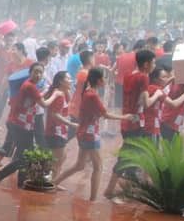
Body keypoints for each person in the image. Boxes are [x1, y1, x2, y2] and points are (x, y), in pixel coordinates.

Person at [54, 68, 137, 201]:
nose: (105, 80)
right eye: (104, 78)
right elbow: (106, 114)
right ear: (99, 80)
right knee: (98, 167)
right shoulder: (91, 95)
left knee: (79, 165)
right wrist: (125, 117)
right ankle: (93, 199)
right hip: (89, 135)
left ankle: (53, 183)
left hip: (84, 133)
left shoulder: (88, 92)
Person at [103, 48, 155, 199]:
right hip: (135, 123)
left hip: (127, 121)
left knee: (132, 156)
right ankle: (110, 189)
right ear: (146, 64)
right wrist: (157, 94)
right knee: (126, 156)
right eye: (153, 62)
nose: (154, 65)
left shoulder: (128, 75)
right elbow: (146, 103)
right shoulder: (143, 77)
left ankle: (128, 188)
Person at [44, 71, 76, 180]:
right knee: (57, 160)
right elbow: (54, 114)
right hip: (55, 131)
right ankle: (50, 182)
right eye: (68, 79)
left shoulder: (62, 93)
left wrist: (67, 90)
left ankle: (53, 181)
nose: (71, 81)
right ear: (61, 81)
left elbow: (72, 103)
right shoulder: (58, 95)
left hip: (60, 130)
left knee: (62, 157)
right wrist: (71, 123)